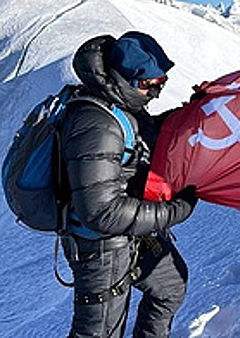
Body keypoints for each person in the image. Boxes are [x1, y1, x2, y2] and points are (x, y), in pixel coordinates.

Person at [59, 31, 198, 337]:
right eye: (149, 85)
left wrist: (189, 115)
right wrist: (175, 211)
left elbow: (141, 138)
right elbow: (101, 212)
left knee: (170, 285)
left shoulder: (122, 104)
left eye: (161, 84)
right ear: (125, 78)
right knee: (99, 333)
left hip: (131, 230)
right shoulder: (96, 123)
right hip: (99, 243)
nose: (155, 93)